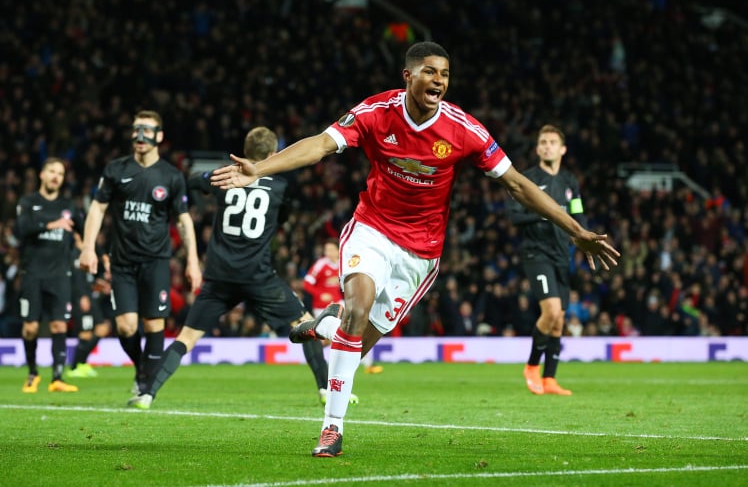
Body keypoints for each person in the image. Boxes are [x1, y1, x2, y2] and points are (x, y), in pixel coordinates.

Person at [210, 42, 620, 457]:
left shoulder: (464, 130)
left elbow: (516, 183)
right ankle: (331, 430)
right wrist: (258, 168)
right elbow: (319, 144)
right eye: (429, 71)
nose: (439, 80)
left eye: (444, 73)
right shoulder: (375, 112)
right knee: (358, 303)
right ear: (408, 76)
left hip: (421, 253)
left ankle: (329, 328)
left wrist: (575, 229)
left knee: (357, 340)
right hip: (372, 228)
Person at [127, 127, 356, 409]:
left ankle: (147, 393)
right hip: (257, 275)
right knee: (305, 324)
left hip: (219, 275)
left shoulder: (226, 175)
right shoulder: (280, 187)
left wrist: (192, 198)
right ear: (273, 154)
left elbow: (191, 183)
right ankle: (325, 389)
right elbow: (282, 219)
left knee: (186, 337)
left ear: (246, 152)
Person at [79, 110, 202, 394]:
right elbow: (97, 208)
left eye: (146, 129)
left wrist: (192, 262)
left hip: (156, 260)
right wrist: (88, 247)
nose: (140, 135)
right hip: (121, 261)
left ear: (159, 136)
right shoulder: (116, 170)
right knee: (125, 326)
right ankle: (142, 369)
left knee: (154, 322)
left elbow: (183, 221)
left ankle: (146, 387)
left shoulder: (171, 176)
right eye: (136, 129)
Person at [508, 124, 586, 396]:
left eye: (552, 142)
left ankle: (550, 378)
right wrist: (547, 213)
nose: (547, 146)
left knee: (560, 318)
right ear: (537, 148)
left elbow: (578, 213)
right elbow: (514, 216)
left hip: (561, 253)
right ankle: (531, 367)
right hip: (536, 253)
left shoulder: (570, 182)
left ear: (562, 149)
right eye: (543, 142)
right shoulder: (526, 179)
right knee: (551, 310)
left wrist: (585, 238)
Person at [15, 157, 85, 393]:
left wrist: (94, 253)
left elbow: (84, 233)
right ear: (41, 175)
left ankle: (57, 377)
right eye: (52, 172)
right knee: (30, 328)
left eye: (60, 173)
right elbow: (22, 229)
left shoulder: (70, 206)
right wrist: (51, 224)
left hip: (59, 275)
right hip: (33, 273)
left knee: (59, 325)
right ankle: (33, 373)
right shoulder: (28, 202)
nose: (56, 176)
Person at [304, 239, 383, 375]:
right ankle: (315, 355)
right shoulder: (320, 264)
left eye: (330, 250)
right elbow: (307, 283)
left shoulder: (344, 263)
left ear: (337, 250)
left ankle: (368, 364)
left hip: (339, 303)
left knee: (351, 328)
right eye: (326, 250)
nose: (327, 253)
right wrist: (321, 293)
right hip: (321, 306)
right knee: (331, 336)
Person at [67, 240, 113, 378]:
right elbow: (74, 280)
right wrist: (81, 296)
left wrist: (98, 284)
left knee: (102, 328)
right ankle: (75, 367)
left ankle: (81, 363)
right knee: (85, 333)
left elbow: (86, 279)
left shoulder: (87, 253)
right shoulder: (75, 254)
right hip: (82, 299)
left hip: (89, 297)